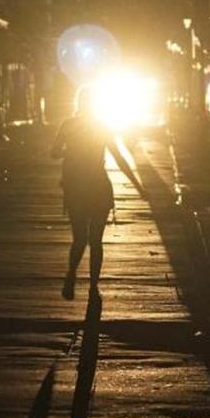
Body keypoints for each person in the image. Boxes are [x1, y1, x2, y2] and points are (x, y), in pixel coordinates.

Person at [50, 86, 145, 301]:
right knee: (96, 240)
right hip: (99, 188)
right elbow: (119, 158)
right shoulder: (101, 127)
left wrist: (70, 150)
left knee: (79, 239)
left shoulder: (68, 125)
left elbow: (54, 153)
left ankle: (72, 273)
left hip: (76, 188)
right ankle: (94, 286)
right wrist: (138, 186)